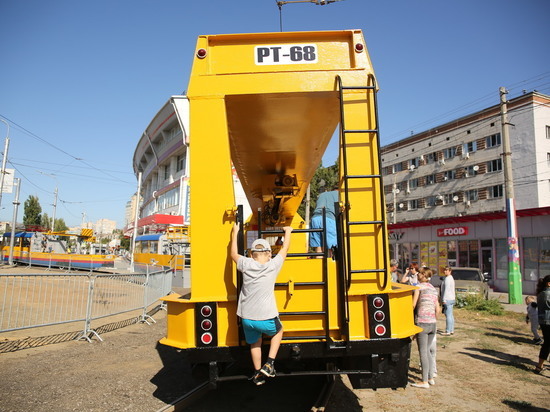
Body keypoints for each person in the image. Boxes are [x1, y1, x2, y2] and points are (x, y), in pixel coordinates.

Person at [231, 222, 293, 385]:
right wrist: (288, 231)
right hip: (266, 317)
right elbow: (284, 249)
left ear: (252, 254)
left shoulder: (246, 264)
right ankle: (270, 363)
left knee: (255, 343)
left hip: (246, 318)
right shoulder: (273, 266)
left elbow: (233, 253)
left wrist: (235, 232)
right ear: (269, 255)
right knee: (279, 331)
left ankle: (257, 373)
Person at [411, 267, 440, 388]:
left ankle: (424, 381)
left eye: (419, 273)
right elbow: (438, 309)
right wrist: (433, 319)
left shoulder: (418, 287)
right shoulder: (433, 289)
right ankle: (430, 377)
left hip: (422, 322)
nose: (417, 274)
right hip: (432, 323)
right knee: (427, 351)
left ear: (423, 275)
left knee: (423, 352)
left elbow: (413, 305)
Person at [309, 186, 338, 255]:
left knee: (319, 247)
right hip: (328, 218)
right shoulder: (339, 194)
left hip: (315, 219)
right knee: (331, 247)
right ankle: (331, 264)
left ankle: (318, 264)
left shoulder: (323, 195)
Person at [535, 274, 550, 374]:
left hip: (544, 321)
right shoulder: (547, 294)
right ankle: (539, 366)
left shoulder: (542, 293)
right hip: (548, 321)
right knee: (547, 344)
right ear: (549, 284)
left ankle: (540, 366)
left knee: (547, 343)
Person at [440, 266, 456, 336]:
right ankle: (451, 329)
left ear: (450, 271)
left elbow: (446, 290)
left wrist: (444, 299)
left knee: (448, 315)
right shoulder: (451, 278)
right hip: (452, 298)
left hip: (448, 299)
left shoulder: (448, 279)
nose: (445, 271)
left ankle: (448, 331)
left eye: (446, 270)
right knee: (451, 315)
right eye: (444, 270)